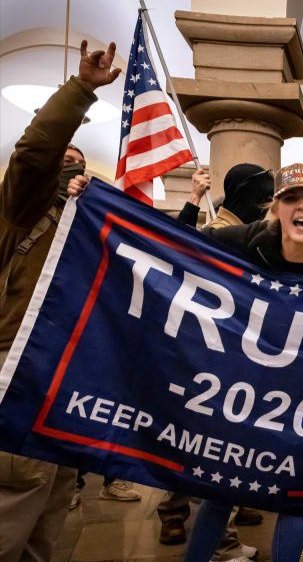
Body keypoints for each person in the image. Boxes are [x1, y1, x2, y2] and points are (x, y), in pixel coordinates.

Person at [180, 164, 303, 562]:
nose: (301, 206)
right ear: (276, 209)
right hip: (248, 389)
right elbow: (180, 245)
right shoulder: (249, 241)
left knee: (296, 497)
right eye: (290, 198)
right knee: (222, 495)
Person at [0, 40, 120, 562]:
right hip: (17, 366)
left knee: (49, 513)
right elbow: (33, 154)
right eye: (61, 162)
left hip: (65, 378)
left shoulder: (87, 229)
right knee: (15, 500)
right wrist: (79, 92)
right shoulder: (23, 211)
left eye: (76, 165)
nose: (67, 169)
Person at [153, 167, 272, 557]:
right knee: (207, 452)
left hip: (217, 360)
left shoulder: (233, 228)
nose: (268, 205)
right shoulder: (220, 233)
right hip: (207, 358)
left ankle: (193, 523)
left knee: (200, 448)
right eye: (264, 198)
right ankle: (222, 541)